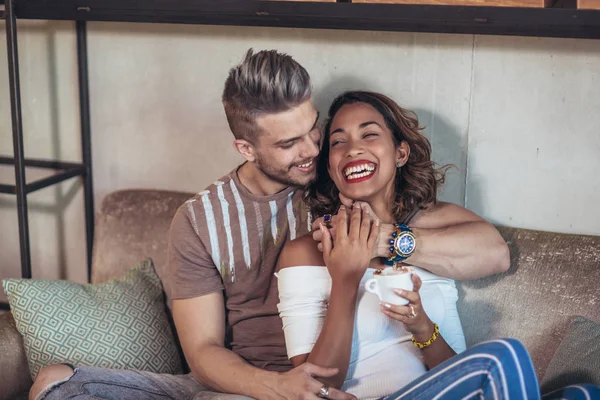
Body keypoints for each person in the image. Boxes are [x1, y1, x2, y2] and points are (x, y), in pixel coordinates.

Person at [30, 49, 510, 400]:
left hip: (326, 377)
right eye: (289, 144)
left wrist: (380, 240)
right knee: (58, 383)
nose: (313, 151)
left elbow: (488, 250)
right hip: (248, 384)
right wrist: (278, 387)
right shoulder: (200, 221)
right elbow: (203, 352)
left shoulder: (344, 181)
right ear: (247, 148)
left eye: (314, 131)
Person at [276, 91, 600, 400]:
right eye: (338, 141)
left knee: (585, 394)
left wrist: (420, 321)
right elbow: (314, 387)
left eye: (369, 135)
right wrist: (346, 279)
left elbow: (497, 255)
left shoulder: (437, 225)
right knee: (502, 356)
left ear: (400, 153)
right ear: (330, 167)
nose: (352, 149)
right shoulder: (305, 251)